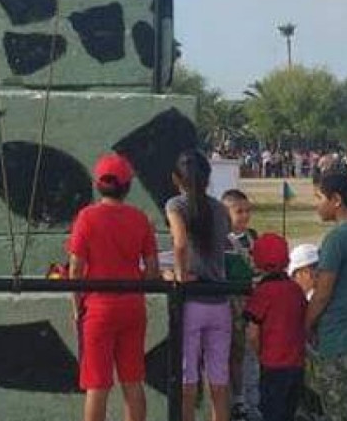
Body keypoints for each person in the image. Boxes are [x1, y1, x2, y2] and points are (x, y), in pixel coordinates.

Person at [66, 153, 159, 421]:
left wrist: (77, 309)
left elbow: (75, 269)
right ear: (128, 187)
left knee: (97, 385)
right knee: (133, 381)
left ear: (97, 185)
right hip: (132, 307)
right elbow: (152, 271)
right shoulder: (140, 219)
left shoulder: (86, 218)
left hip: (97, 308)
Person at [165, 150, 233, 421]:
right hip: (219, 301)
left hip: (192, 300)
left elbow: (180, 243)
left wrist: (178, 276)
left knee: (187, 378)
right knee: (218, 379)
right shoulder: (219, 209)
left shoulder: (175, 205)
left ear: (175, 179)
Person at [305, 169, 347, 421]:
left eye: (318, 197)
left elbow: (322, 294)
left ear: (336, 200)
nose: (316, 204)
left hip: (336, 333)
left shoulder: (336, 239)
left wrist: (304, 324)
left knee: (339, 408)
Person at [288, 243, 347, 420]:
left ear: (306, 273)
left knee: (288, 370)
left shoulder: (314, 299)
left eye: (294, 277)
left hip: (346, 375)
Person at [243, 233, 307, 421]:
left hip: (272, 364)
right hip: (296, 363)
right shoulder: (295, 289)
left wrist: (259, 353)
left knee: (271, 411)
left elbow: (253, 333)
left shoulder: (262, 292)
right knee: (288, 410)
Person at [220, 189, 256, 420]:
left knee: (240, 351)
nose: (244, 216)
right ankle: (223, 396)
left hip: (247, 302)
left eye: (247, 211)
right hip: (226, 302)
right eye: (238, 211)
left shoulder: (253, 237)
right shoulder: (220, 241)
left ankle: (240, 397)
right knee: (223, 351)